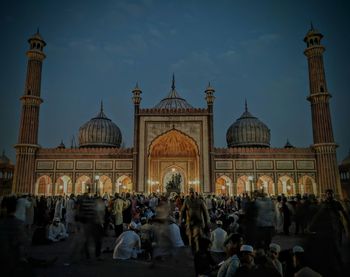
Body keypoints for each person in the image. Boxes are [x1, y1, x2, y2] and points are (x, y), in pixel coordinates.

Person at [181, 188, 210, 253]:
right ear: (188, 193)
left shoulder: (200, 201)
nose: (191, 194)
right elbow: (182, 210)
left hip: (199, 222)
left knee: (197, 236)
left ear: (195, 193)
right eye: (190, 192)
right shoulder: (186, 201)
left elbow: (205, 212)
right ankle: (191, 249)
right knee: (190, 236)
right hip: (190, 222)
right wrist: (181, 219)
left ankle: (198, 250)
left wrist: (207, 221)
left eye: (192, 192)